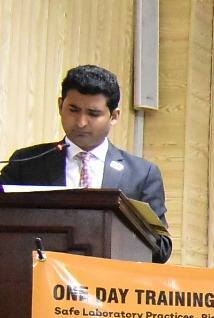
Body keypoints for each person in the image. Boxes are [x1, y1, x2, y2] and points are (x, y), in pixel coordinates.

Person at [0, 64, 171, 261]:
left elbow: (162, 248)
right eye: (73, 110)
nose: (81, 122)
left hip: (108, 278)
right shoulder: (26, 163)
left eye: (93, 113)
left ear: (114, 116)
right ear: (60, 106)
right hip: (35, 275)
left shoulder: (141, 174)